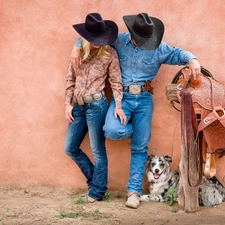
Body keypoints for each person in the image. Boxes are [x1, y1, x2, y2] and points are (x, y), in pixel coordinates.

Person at [70, 13, 201, 208]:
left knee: (140, 148)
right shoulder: (119, 40)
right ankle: (136, 132)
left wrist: (193, 60)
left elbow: (178, 53)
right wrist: (77, 46)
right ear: (132, 34)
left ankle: (133, 192)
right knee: (111, 130)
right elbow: (95, 36)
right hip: (122, 97)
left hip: (145, 98)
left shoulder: (159, 47)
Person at [64, 13, 126, 203]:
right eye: (94, 39)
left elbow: (116, 82)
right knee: (70, 148)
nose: (99, 43)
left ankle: (97, 191)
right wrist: (67, 102)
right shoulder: (77, 53)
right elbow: (70, 78)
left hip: (97, 106)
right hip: (78, 106)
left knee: (98, 150)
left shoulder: (110, 53)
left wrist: (119, 105)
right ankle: (96, 181)